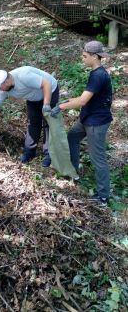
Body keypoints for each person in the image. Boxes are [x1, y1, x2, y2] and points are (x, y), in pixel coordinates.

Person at [50, 41, 112, 207]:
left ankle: (103, 197)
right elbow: (85, 97)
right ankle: (74, 171)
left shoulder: (99, 75)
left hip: (96, 122)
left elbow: (83, 100)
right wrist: (67, 101)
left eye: (85, 56)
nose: (82, 58)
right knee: (72, 137)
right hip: (87, 118)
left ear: (94, 56)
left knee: (97, 158)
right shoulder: (95, 73)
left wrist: (61, 107)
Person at [0, 66, 59, 167]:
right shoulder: (4, 89)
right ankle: (29, 152)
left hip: (50, 91)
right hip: (33, 97)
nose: (1, 90)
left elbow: (47, 84)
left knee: (48, 123)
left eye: (1, 87)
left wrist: (46, 104)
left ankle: (48, 154)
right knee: (33, 122)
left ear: (6, 82)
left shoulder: (24, 76)